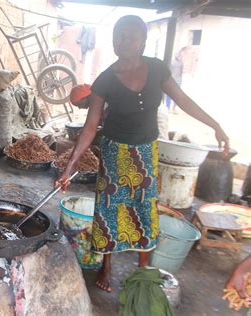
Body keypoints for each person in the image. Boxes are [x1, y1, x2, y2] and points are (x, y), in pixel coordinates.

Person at [56, 15, 229, 293]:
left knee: (144, 208)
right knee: (110, 209)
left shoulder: (157, 69)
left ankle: (143, 270)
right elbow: (89, 128)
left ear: (143, 41)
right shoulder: (105, 81)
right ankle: (107, 265)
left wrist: (215, 126)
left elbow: (183, 100)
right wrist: (68, 168)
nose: (123, 41)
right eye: (118, 35)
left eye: (130, 35)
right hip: (115, 153)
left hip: (146, 152)